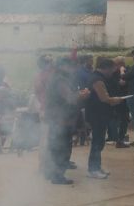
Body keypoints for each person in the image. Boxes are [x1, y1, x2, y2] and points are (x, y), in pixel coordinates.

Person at [46, 57, 90, 185]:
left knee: (56, 147)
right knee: (62, 148)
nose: (73, 69)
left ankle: (53, 173)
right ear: (63, 66)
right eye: (71, 66)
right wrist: (82, 94)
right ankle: (58, 176)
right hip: (61, 119)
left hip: (57, 118)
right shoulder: (60, 80)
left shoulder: (56, 78)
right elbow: (70, 98)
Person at [85, 58, 123, 179]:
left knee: (99, 141)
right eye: (112, 70)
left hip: (98, 113)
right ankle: (93, 169)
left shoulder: (95, 77)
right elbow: (104, 98)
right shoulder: (97, 80)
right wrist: (116, 100)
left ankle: (96, 166)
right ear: (106, 68)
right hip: (97, 114)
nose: (112, 73)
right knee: (97, 142)